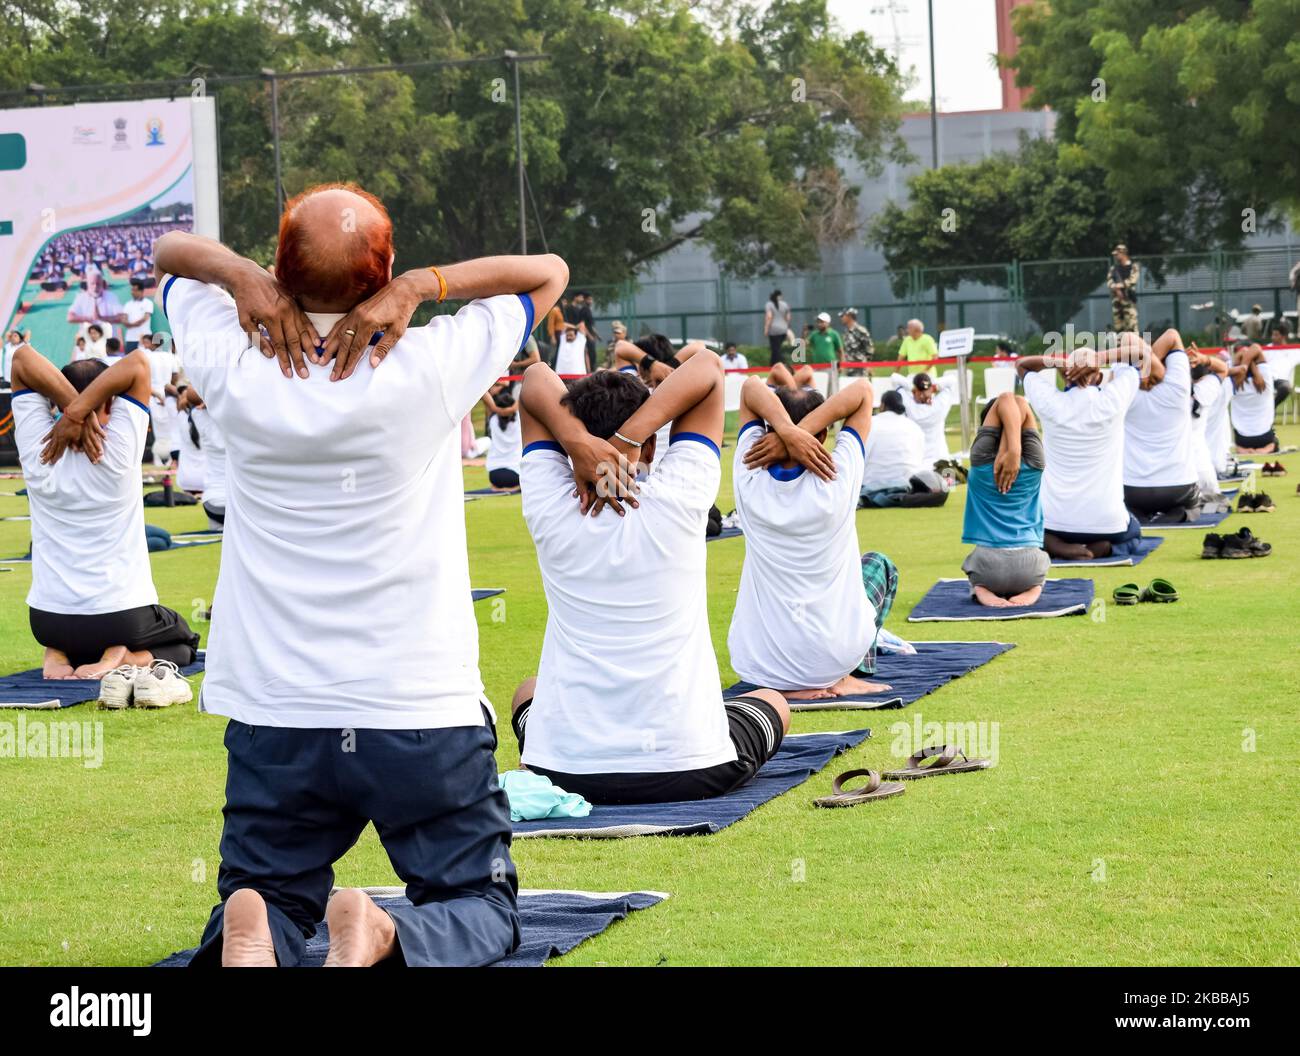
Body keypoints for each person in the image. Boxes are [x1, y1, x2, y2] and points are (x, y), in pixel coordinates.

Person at [154, 182, 567, 967]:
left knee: (268, 886)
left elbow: (169, 255)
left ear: (277, 269)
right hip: (417, 706)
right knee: (477, 902)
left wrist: (241, 279)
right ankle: (387, 932)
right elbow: (547, 271)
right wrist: (422, 288)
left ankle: (257, 922)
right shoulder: (432, 360)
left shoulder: (234, 354)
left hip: (278, 706)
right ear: (383, 276)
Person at [511, 351, 789, 804]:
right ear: (655, 447)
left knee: (528, 691)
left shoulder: (548, 506)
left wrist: (582, 443)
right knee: (773, 702)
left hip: (562, 770)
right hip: (693, 767)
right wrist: (628, 438)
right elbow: (708, 369)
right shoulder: (680, 495)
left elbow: (537, 377)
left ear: (566, 447)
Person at [13, 345, 199, 685]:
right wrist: (78, 413)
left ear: (51, 403)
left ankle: (56, 652)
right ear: (112, 400)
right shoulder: (118, 448)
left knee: (81, 635)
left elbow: (22, 359)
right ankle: (126, 655)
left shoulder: (38, 447)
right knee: (184, 641)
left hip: (47, 621)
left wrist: (71, 413)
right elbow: (138, 363)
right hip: (121, 618)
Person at [729, 375, 898, 699]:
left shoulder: (747, 473)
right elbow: (862, 391)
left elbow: (751, 386)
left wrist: (786, 433)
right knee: (880, 566)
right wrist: (798, 434)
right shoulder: (838, 477)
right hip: (835, 659)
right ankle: (846, 676)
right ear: (822, 435)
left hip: (761, 666)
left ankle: (796, 686)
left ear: (766, 432)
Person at [1019, 347, 1143, 561]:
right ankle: (1101, 549)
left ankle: (1052, 544)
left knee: (1027, 527)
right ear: (1098, 375)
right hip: (1107, 522)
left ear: (1066, 375)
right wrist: (1100, 358)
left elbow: (1022, 365)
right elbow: (1140, 355)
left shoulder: (1050, 402)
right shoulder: (1113, 400)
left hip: (1053, 521)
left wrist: (1056, 361)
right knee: (1135, 534)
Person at [961, 393, 1049, 607]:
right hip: (1030, 567)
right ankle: (1033, 588)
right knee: (1042, 564)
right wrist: (1014, 450)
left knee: (973, 566)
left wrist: (1011, 450)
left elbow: (1005, 399)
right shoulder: (1035, 463)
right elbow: (1017, 401)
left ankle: (981, 589)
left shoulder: (980, 463)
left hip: (986, 567)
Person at [1123, 328, 1200, 521]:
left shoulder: (1123, 388)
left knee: (1126, 507)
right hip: (1178, 488)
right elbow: (1173, 335)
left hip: (1133, 489)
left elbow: (1127, 340)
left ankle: (1136, 515)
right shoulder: (1178, 385)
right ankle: (1182, 513)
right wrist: (1151, 364)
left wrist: (1143, 368)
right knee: (1194, 507)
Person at [860, 389, 927, 507]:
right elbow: (920, 459)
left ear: (882, 405)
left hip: (872, 486)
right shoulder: (914, 427)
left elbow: (861, 458)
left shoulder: (870, 423)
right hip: (908, 486)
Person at [888, 370, 958, 466]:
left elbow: (894, 377)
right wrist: (934, 387)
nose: (922, 396)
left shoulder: (908, 403)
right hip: (939, 460)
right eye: (919, 392)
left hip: (916, 462)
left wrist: (912, 387)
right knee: (949, 477)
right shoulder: (941, 403)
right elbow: (952, 380)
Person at [481, 383, 522, 490]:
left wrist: (495, 409)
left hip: (494, 476)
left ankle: (497, 488)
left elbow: (482, 392)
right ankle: (513, 488)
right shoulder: (519, 419)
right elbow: (521, 397)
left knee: (496, 485)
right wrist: (511, 410)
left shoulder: (492, 419)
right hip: (515, 475)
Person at [175, 385, 207, 495]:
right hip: (206, 481)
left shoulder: (181, 418)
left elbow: (179, 407)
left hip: (185, 480)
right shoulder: (208, 419)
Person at [1108, 243, 1139, 333]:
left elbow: (1132, 281)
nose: (1116, 256)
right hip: (1117, 302)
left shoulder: (1133, 267)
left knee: (1132, 327)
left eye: (1117, 254)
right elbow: (1109, 282)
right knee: (1118, 328)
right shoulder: (1114, 269)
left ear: (1123, 253)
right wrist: (1116, 289)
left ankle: (1135, 346)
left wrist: (1119, 286)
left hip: (1129, 300)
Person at [122, 278, 155, 352]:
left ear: (141, 291)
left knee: (145, 361)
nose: (132, 292)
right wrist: (128, 324)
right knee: (129, 361)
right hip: (130, 338)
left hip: (144, 338)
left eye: (135, 290)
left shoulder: (148, 303)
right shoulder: (128, 304)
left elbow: (145, 318)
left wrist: (130, 325)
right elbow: (124, 319)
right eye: (132, 290)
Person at [839, 308, 873, 376]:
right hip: (848, 368)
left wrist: (868, 364)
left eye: (843, 316)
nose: (841, 318)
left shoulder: (860, 331)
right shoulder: (846, 332)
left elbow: (869, 348)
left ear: (850, 316)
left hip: (860, 369)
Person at [763, 289, 792, 366]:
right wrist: (787, 326)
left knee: (776, 349)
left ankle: (783, 363)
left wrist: (766, 329)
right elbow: (788, 317)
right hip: (783, 329)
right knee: (776, 348)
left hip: (773, 329)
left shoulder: (769, 304)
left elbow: (769, 317)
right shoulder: (785, 304)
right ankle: (772, 365)